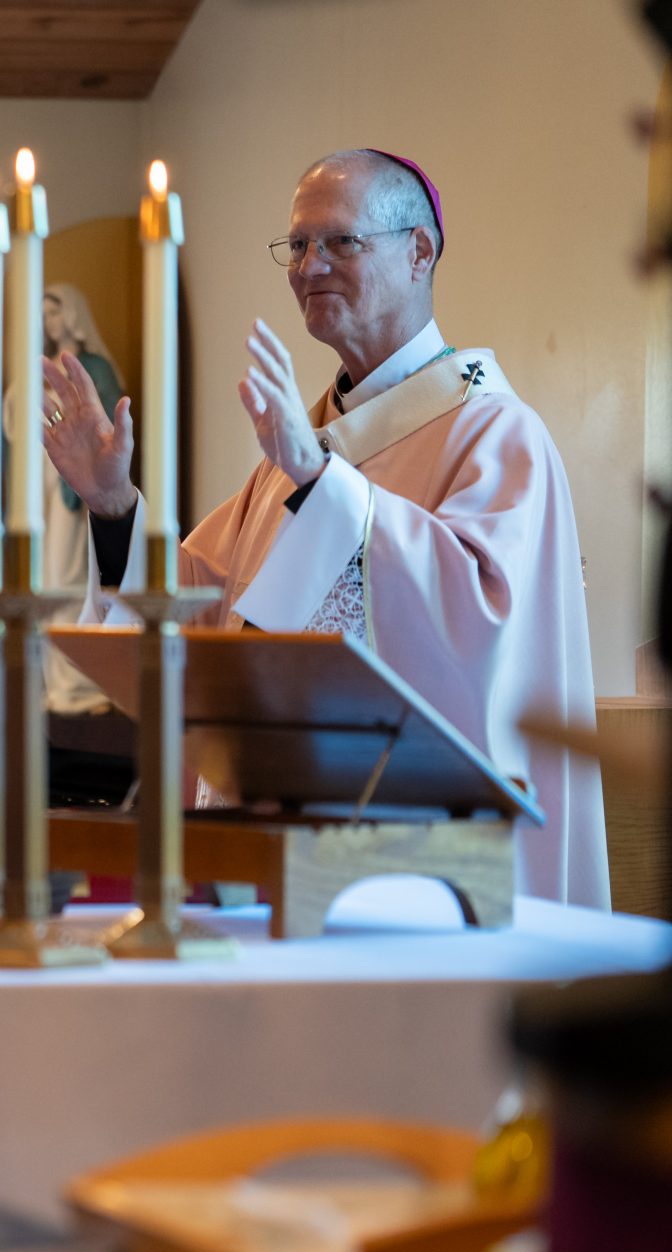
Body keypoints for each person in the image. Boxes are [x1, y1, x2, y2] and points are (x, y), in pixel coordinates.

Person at [45, 149, 606, 905]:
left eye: (340, 241)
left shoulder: (497, 435)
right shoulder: (303, 450)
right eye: (298, 245)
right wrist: (113, 508)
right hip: (279, 864)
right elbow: (202, 613)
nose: (310, 266)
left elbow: (483, 627)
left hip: (420, 872)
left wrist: (324, 484)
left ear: (419, 251)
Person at [35, 285, 122, 712]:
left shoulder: (95, 368)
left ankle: (79, 685)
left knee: (70, 577)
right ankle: (58, 684)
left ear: (71, 315)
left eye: (54, 312)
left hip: (75, 493)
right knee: (47, 577)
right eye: (43, 315)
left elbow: (107, 424)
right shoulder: (40, 366)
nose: (48, 322)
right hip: (46, 488)